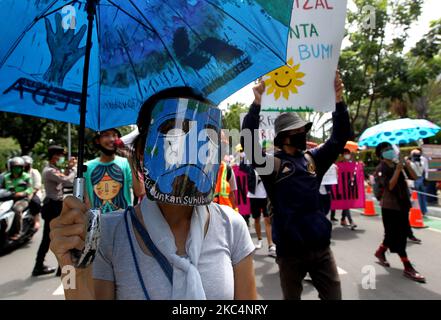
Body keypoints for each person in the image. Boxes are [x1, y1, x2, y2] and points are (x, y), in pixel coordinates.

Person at [50, 88, 256, 300]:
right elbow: (74, 289)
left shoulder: (230, 226)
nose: (190, 153)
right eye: (174, 137)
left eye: (206, 138)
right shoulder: (109, 235)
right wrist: (71, 270)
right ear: (142, 153)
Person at [241, 72, 350, 300]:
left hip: (321, 250)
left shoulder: (314, 159)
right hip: (290, 253)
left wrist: (338, 101)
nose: (302, 133)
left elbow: (339, 138)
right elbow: (249, 145)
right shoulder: (273, 165)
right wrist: (256, 105)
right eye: (297, 131)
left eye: (303, 129)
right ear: (283, 137)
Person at [373, 142, 425, 283]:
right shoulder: (380, 168)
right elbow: (389, 186)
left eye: (390, 148)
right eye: (386, 149)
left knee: (393, 234)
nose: (389, 150)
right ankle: (407, 266)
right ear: (381, 154)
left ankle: (380, 252)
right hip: (390, 206)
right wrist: (397, 170)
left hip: (403, 203)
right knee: (399, 236)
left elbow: (415, 177)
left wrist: (405, 163)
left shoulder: (398, 164)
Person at [32, 146, 76, 277]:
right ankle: (43, 266)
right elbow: (68, 181)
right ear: (54, 156)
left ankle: (47, 266)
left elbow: (63, 177)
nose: (62, 158)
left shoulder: (54, 169)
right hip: (53, 207)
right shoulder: (49, 171)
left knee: (52, 237)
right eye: (60, 155)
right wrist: (74, 168)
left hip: (55, 205)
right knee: (54, 237)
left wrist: (68, 168)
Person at [84, 128, 145, 214]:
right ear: (97, 140)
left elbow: (140, 191)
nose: (112, 139)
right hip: (98, 222)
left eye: (114, 135)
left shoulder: (127, 163)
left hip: (124, 221)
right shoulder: (87, 167)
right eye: (106, 135)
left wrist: (131, 161)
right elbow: (87, 201)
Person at [2, 157, 33, 239]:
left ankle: (18, 232)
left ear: (22, 168)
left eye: (18, 167)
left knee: (16, 210)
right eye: (14, 167)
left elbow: (30, 188)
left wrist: (23, 193)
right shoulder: (6, 177)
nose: (16, 169)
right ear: (10, 168)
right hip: (7, 199)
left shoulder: (26, 176)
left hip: (22, 199)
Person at [338, 149, 357, 230]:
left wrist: (353, 159)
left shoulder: (350, 164)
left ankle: (342, 219)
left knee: (346, 204)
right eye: (345, 154)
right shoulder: (339, 164)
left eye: (348, 154)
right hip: (341, 187)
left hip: (349, 187)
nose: (347, 155)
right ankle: (351, 221)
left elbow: (354, 171)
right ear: (342, 155)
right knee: (346, 204)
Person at [22, 155, 43, 227]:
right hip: (23, 193)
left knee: (35, 202)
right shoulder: (20, 173)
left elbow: (37, 186)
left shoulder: (34, 172)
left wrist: (30, 194)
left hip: (34, 193)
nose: (25, 166)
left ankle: (37, 220)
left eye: (26, 164)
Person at [409, 149, 427, 216]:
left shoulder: (411, 164)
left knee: (417, 197)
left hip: (415, 180)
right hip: (421, 179)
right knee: (423, 196)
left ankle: (418, 211)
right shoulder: (422, 163)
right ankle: (424, 211)